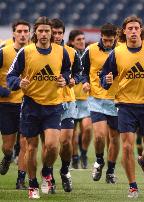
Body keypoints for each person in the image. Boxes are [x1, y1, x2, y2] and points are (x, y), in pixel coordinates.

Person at [100, 16, 144, 198]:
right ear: (123, 31)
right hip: (125, 105)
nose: (133, 31)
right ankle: (132, 186)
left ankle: (143, 161)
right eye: (129, 28)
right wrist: (106, 81)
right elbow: (105, 77)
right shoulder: (117, 53)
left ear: (141, 31)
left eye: (136, 28)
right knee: (126, 147)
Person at [7, 16, 71, 199]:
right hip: (31, 106)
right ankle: (32, 184)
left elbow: (68, 70)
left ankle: (46, 172)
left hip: (53, 106)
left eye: (47, 31)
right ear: (36, 33)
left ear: (52, 34)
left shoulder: (61, 51)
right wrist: (19, 82)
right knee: (31, 148)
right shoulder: (26, 52)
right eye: (41, 31)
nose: (44, 34)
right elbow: (11, 76)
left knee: (52, 146)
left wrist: (64, 79)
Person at [81, 23, 120, 184]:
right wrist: (84, 82)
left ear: (115, 38)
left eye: (111, 40)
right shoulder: (90, 50)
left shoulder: (122, 51)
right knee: (99, 136)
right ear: (101, 37)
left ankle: (111, 170)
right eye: (106, 40)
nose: (108, 43)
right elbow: (81, 69)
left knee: (115, 138)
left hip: (117, 100)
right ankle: (99, 160)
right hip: (97, 99)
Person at [51, 18, 82, 192]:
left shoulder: (71, 52)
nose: (56, 36)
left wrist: (73, 79)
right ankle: (48, 174)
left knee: (65, 141)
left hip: (68, 101)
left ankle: (64, 170)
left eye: (59, 33)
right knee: (51, 144)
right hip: (48, 102)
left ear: (63, 34)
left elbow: (78, 72)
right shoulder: (42, 52)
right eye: (54, 33)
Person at [0, 20, 30, 190]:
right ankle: (7, 157)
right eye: (19, 31)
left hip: (28, 103)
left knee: (25, 143)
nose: (23, 34)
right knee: (8, 146)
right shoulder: (3, 52)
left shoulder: (34, 52)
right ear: (13, 33)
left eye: (26, 31)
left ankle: (21, 180)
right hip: (7, 104)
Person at [68, 30, 92, 169]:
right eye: (78, 39)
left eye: (83, 39)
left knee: (87, 129)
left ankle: (84, 153)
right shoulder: (68, 55)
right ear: (72, 41)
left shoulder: (88, 54)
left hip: (86, 99)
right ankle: (74, 156)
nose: (82, 41)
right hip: (71, 98)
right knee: (72, 132)